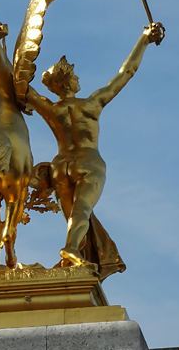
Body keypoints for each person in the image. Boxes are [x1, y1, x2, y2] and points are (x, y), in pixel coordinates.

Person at [24, 21, 165, 278]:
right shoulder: (92, 104)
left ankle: (74, 253)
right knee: (82, 212)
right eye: (75, 76)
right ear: (70, 82)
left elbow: (21, 86)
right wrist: (144, 40)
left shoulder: (52, 109)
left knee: (73, 220)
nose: (79, 79)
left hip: (60, 167)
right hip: (88, 163)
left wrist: (2, 43)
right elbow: (126, 73)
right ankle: (70, 250)